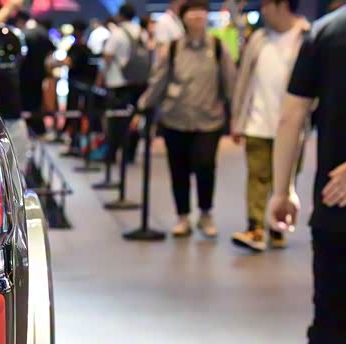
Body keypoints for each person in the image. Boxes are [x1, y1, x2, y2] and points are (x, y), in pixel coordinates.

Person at [270, 1, 346, 344]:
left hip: (340, 213)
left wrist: (281, 189)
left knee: (330, 329)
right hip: (339, 209)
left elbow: (292, 117)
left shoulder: (327, 33)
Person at [137, 0, 237, 238]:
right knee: (178, 169)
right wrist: (143, 105)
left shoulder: (218, 47)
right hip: (176, 119)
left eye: (202, 12)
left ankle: (205, 213)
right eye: (192, 13)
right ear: (183, 18)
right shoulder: (173, 49)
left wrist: (235, 115)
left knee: (206, 166)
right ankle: (182, 216)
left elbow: (230, 83)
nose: (197, 17)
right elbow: (159, 80)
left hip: (209, 120)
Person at [230, 0, 309, 252]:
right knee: (257, 176)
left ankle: (278, 227)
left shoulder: (308, 38)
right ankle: (255, 228)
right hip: (257, 122)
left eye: (265, 4)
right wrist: (237, 119)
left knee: (285, 179)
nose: (262, 10)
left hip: (293, 127)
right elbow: (243, 80)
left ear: (281, 5)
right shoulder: (258, 39)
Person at [96, 3, 148, 165]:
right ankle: (129, 153)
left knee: (115, 120)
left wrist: (101, 77)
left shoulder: (117, 33)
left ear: (120, 15)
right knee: (133, 120)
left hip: (118, 82)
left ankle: (111, 153)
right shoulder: (141, 32)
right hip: (138, 81)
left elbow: (108, 56)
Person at [14, 11, 57, 136]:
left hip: (24, 75)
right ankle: (39, 129)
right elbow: (50, 52)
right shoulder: (43, 33)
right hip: (39, 75)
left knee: (25, 103)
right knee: (36, 102)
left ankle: (28, 129)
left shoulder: (23, 33)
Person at [63, 20, 97, 153]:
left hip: (76, 86)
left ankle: (75, 145)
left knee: (74, 114)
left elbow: (70, 62)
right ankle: (80, 145)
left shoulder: (76, 48)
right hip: (85, 86)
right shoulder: (87, 48)